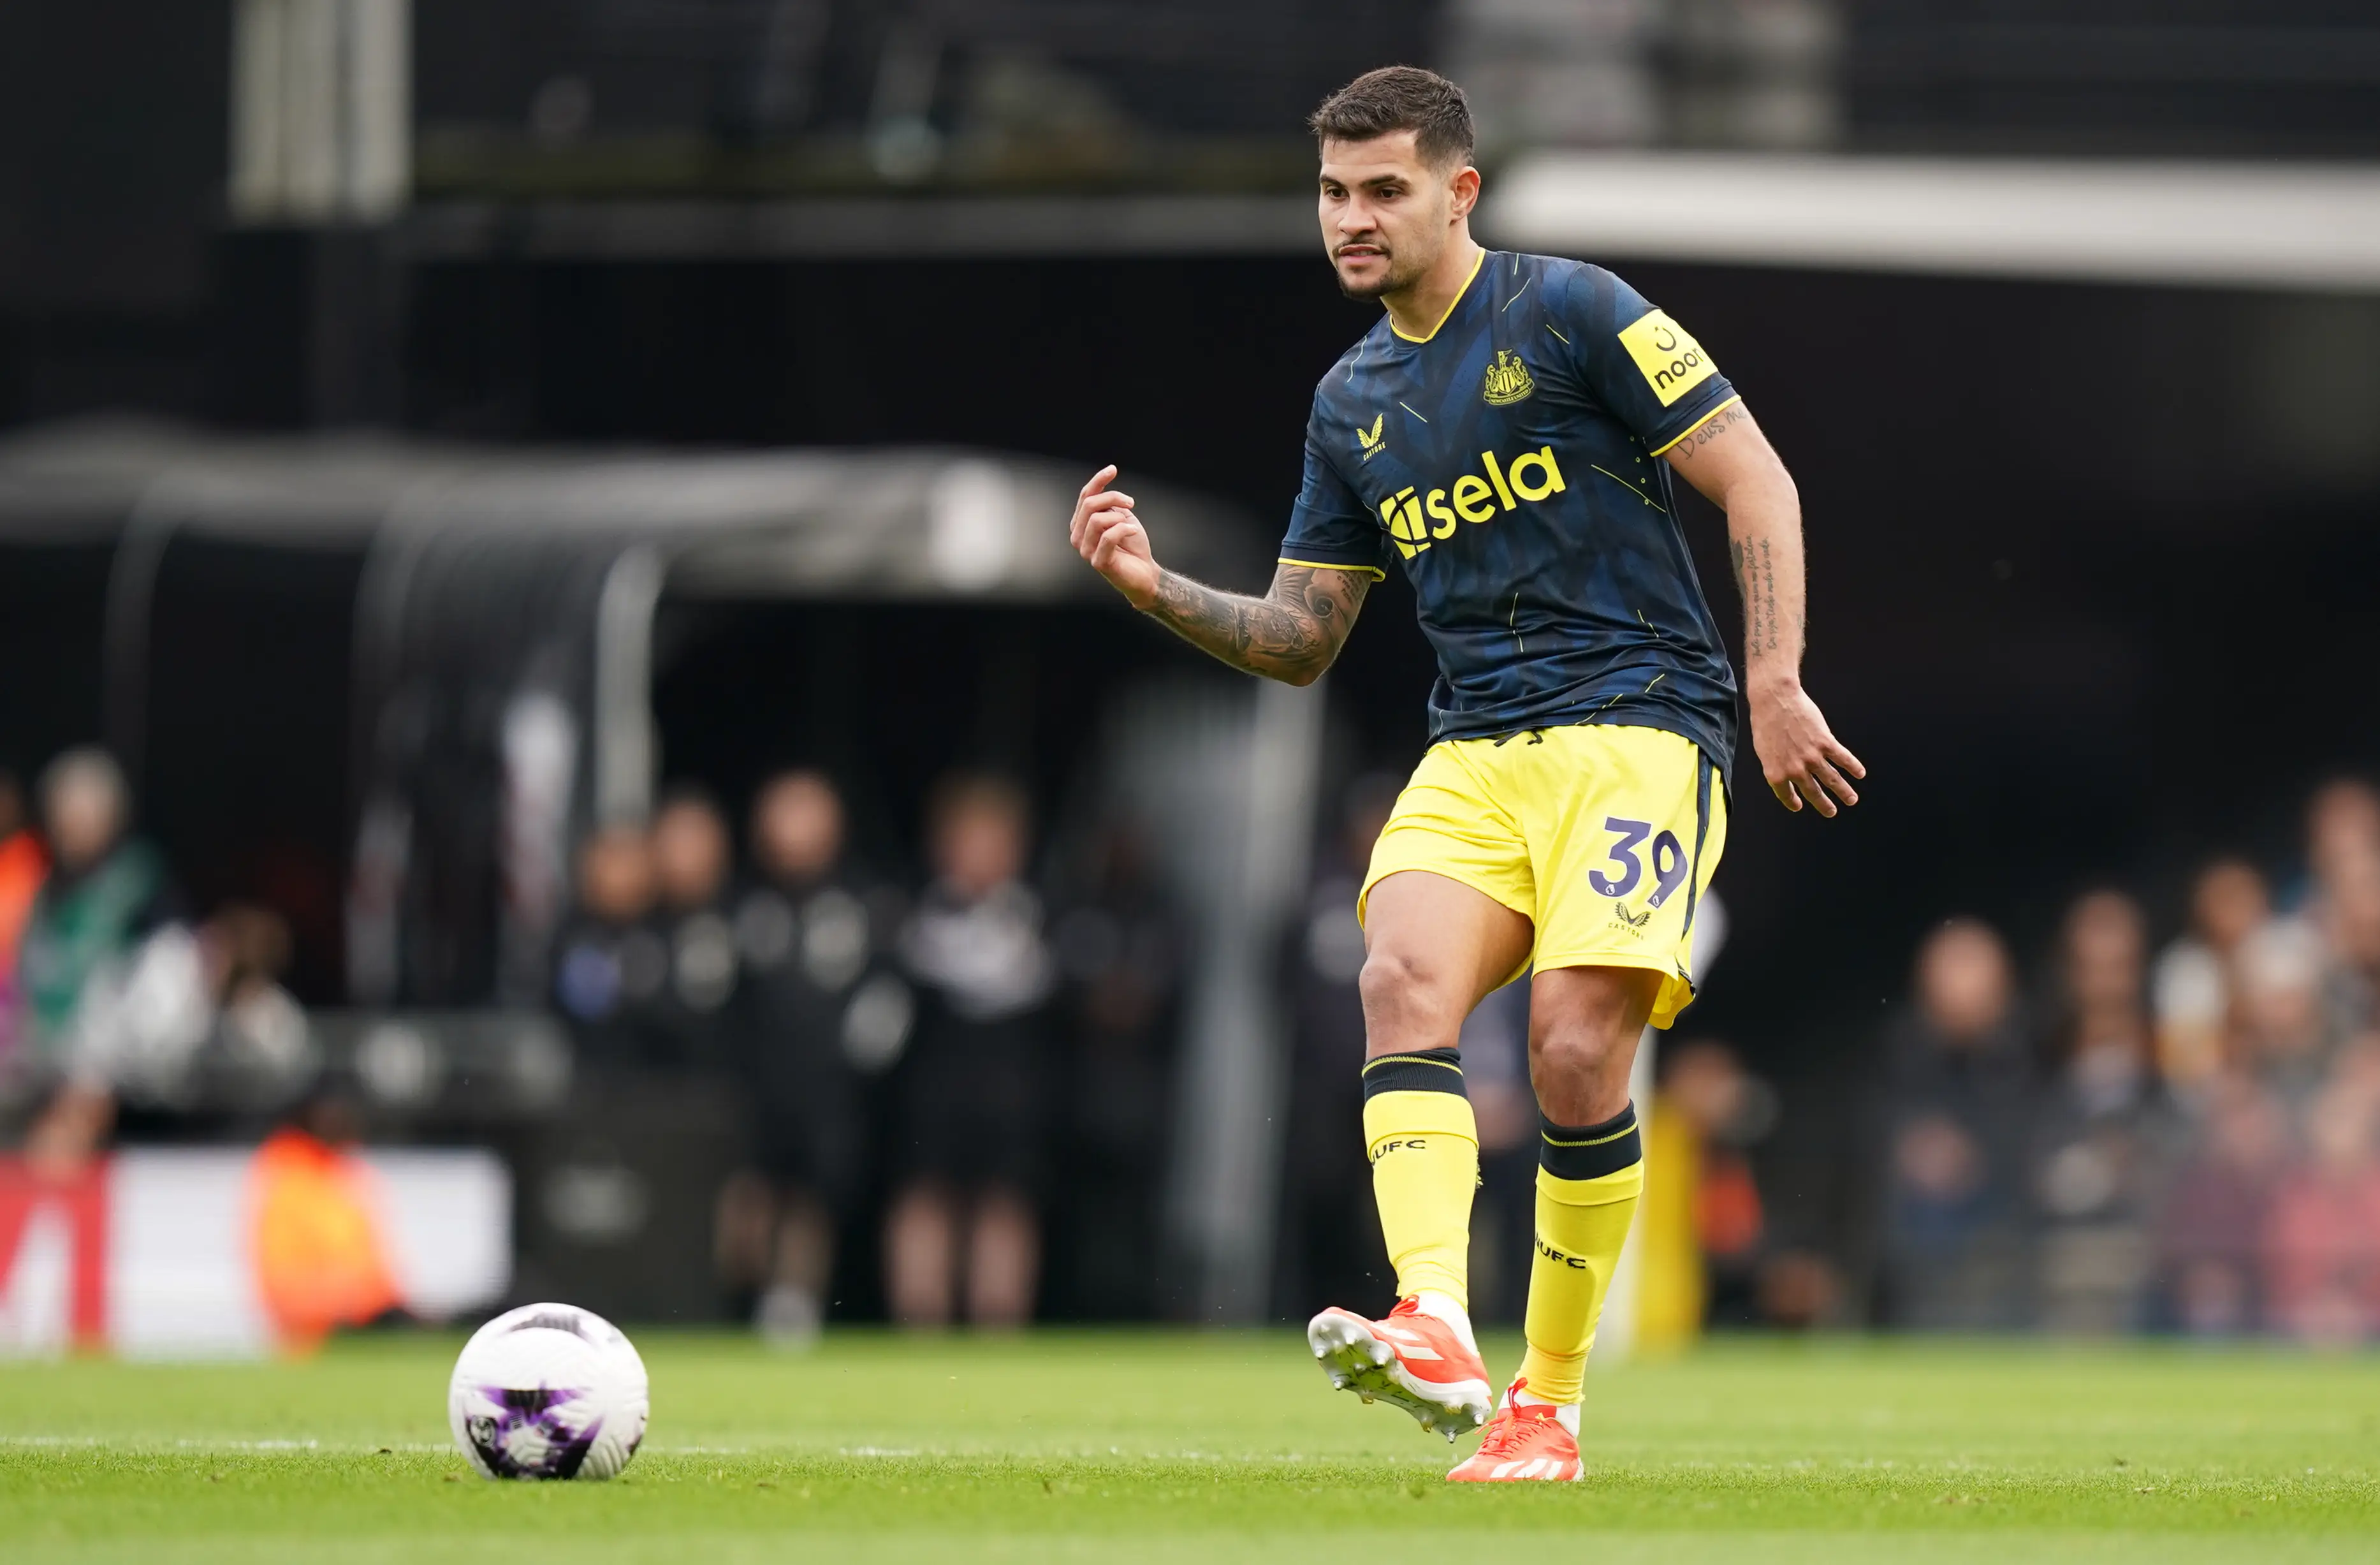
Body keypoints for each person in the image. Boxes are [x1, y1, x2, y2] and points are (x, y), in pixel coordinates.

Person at [1067, 66, 1861, 1480]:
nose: (1352, 220)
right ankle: (1434, 1317)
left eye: (1383, 190)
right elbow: (1303, 638)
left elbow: (1760, 483)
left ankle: (1545, 1406)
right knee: (1395, 980)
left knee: (1570, 1050)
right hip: (1477, 746)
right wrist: (1151, 586)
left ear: (1459, 191)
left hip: (1640, 726)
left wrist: (1774, 680)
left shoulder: (1573, 311)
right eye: (1332, 193)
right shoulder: (1350, 401)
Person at [717, 770, 898, 1344]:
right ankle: (727, 1302)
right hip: (751, 1082)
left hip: (823, 1085)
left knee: (810, 1199)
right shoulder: (742, 905)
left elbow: (886, 990)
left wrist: (867, 1040)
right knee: (747, 1195)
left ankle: (793, 1306)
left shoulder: (858, 901)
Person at [887, 775, 1055, 1328]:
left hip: (1010, 1087)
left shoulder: (1038, 917)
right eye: (969, 839)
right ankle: (921, 1322)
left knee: (1005, 1204)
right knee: (926, 1199)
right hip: (935, 1084)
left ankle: (997, 1325)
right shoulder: (913, 916)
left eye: (994, 840)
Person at [1875, 920, 2034, 1329]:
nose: (1961, 993)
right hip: (1913, 1268)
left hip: (2016, 1255)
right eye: (1949, 975)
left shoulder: (2035, 1055)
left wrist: (1976, 1156)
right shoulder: (1896, 1058)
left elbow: (2037, 1143)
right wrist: (1911, 1147)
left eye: (1973, 975)